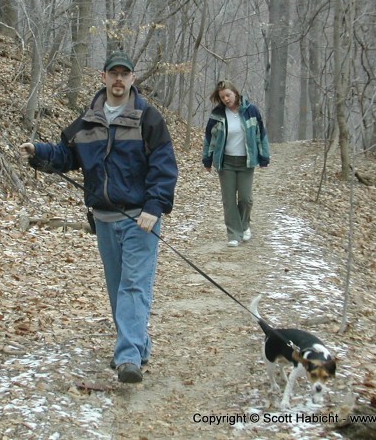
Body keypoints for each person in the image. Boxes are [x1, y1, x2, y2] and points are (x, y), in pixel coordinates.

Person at [20, 51, 178, 384]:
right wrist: (39, 152)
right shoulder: (88, 120)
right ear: (104, 78)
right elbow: (66, 155)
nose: (118, 79)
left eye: (125, 73)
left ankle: (128, 357)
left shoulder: (148, 118)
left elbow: (164, 166)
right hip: (104, 218)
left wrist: (154, 206)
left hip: (140, 219)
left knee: (134, 286)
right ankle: (139, 346)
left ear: (133, 79)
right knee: (117, 287)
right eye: (113, 73)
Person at [202, 80, 270, 247]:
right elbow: (210, 138)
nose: (226, 99)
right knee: (229, 200)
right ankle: (233, 233)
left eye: (228, 95)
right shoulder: (218, 114)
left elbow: (260, 133)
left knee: (246, 198)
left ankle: (244, 225)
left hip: (246, 161)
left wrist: (264, 156)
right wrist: (207, 158)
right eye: (222, 97)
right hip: (226, 162)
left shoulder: (250, 111)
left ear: (235, 93)